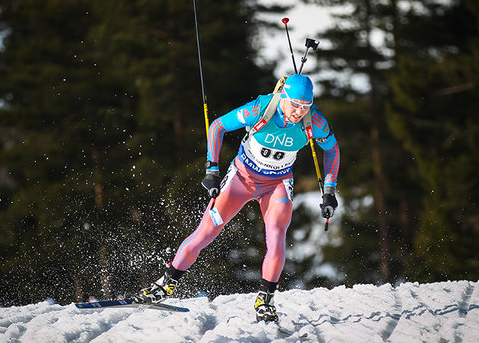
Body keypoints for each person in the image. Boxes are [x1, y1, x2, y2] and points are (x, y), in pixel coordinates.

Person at [135, 74, 340, 322]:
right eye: (295, 104)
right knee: (206, 233)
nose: (299, 112)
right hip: (241, 178)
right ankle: (164, 285)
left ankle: (265, 300)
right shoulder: (261, 108)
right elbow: (218, 126)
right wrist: (212, 169)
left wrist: (329, 191)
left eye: (305, 106)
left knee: (276, 236)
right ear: (283, 97)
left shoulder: (314, 121)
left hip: (277, 183)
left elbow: (332, 149)